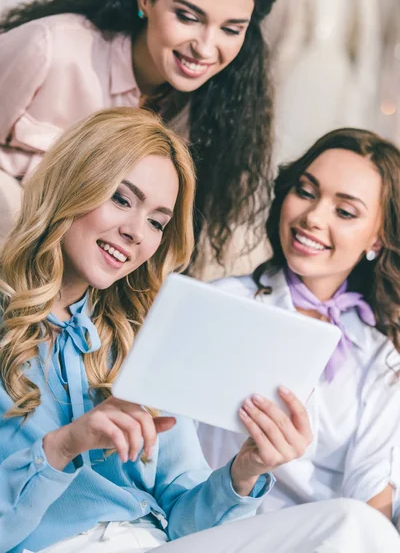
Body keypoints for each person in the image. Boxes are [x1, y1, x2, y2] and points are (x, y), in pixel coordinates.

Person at [0, 107, 319, 553]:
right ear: (72, 183)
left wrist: (243, 473)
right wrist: (65, 445)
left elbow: (184, 519)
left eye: (156, 222)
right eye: (121, 199)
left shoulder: (141, 340)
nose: (136, 233)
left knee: (345, 528)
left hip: (150, 543)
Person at [0, 0, 281, 278]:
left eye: (231, 30)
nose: (205, 48)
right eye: (188, 17)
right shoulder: (53, 50)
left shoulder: (213, 113)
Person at [198, 128, 400, 539]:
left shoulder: (382, 355)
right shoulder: (224, 306)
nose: (312, 217)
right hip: (215, 524)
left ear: (376, 238)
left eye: (345, 212)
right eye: (306, 192)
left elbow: (371, 487)